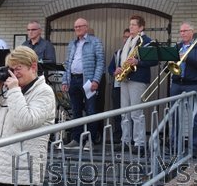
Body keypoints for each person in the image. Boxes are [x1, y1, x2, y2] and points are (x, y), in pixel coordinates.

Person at [0, 46, 55, 186]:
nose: (14, 74)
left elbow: (26, 121)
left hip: (22, 170)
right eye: (11, 69)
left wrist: (14, 90)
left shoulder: (44, 92)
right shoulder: (10, 91)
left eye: (18, 69)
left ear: (33, 67)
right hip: (0, 167)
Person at [114, 15, 157, 154]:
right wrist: (120, 67)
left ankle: (139, 143)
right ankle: (125, 141)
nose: (131, 27)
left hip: (138, 80)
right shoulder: (129, 42)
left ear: (141, 27)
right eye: (130, 24)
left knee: (136, 113)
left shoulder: (147, 41)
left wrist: (138, 62)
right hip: (125, 79)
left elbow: (153, 61)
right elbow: (123, 59)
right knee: (124, 112)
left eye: (134, 25)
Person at [62, 18, 105, 151]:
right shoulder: (72, 44)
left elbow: (100, 62)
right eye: (75, 27)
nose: (78, 29)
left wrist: (96, 80)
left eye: (80, 26)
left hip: (88, 81)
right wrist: (65, 80)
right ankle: (76, 139)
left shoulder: (95, 42)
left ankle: (90, 140)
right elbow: (67, 63)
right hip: (73, 80)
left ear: (86, 27)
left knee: (91, 111)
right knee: (75, 111)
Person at [170, 21, 197, 158]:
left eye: (185, 31)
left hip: (192, 85)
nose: (182, 33)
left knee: (193, 117)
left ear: (192, 32)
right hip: (176, 84)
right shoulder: (177, 47)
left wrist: (188, 59)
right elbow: (167, 67)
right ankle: (175, 146)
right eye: (181, 31)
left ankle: (193, 147)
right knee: (174, 116)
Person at [108, 28, 130, 144]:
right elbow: (109, 68)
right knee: (117, 113)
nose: (126, 39)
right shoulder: (118, 53)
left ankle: (128, 138)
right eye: (125, 37)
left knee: (129, 113)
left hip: (129, 85)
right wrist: (114, 71)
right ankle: (118, 137)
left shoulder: (133, 53)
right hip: (118, 86)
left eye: (129, 37)